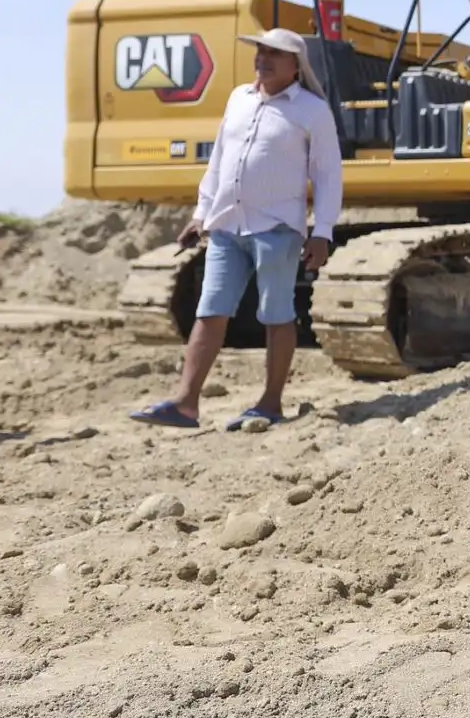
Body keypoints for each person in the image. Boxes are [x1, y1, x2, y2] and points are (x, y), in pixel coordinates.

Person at [129, 28, 343, 431]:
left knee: (276, 315)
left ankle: (270, 402)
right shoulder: (238, 99)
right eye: (260, 52)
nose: (263, 59)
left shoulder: (312, 111)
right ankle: (185, 404)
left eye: (274, 54)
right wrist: (201, 213)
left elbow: (329, 176)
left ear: (296, 66)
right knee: (210, 311)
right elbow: (220, 160)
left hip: (277, 228)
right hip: (227, 226)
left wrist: (323, 231)